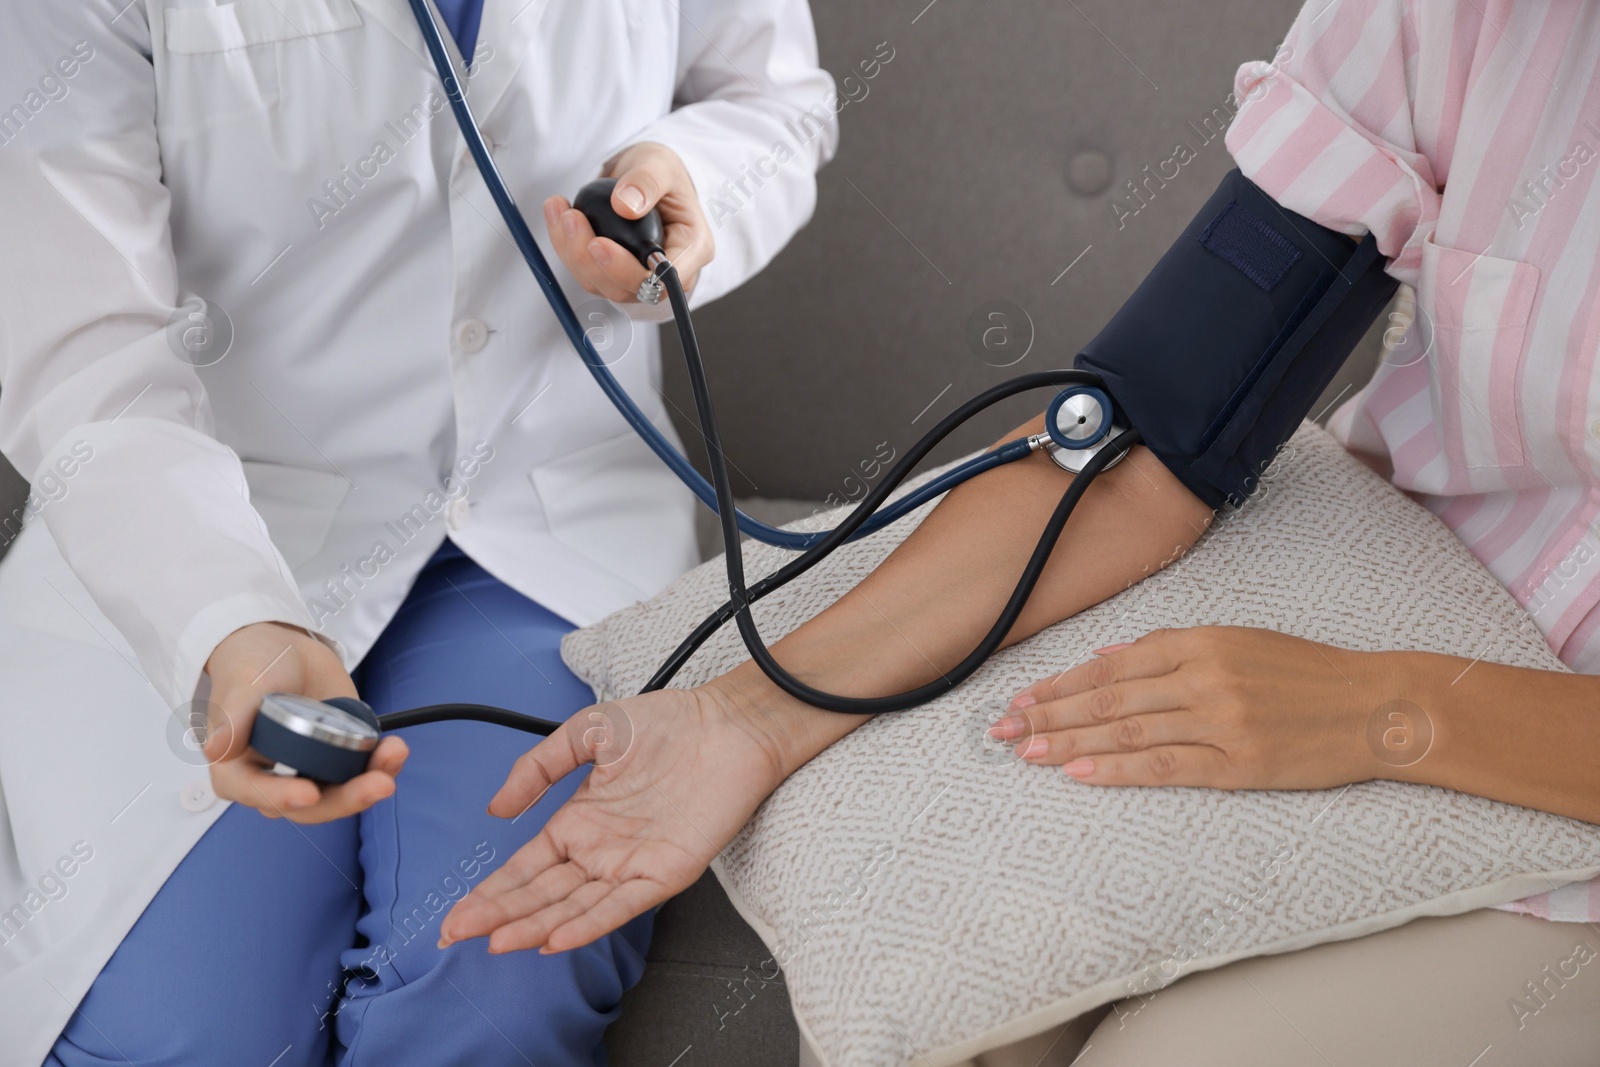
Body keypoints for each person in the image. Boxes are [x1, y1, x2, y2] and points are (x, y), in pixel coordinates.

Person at [437, 1, 1600, 1063]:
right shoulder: (1462, 22)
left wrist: (1390, 711)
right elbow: (1155, 429)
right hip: (1376, 590)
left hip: (1553, 784)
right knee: (940, 1015)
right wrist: (750, 715)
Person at [0, 1, 835, 1063]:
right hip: (200, 534)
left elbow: (772, 97)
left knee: (497, 980)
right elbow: (84, 352)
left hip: (551, 526)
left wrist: (690, 183)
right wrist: (223, 614)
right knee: (181, 1035)